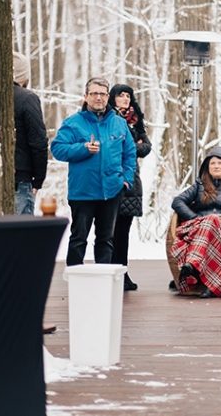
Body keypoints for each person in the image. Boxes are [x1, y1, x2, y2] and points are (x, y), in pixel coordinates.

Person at [50, 77, 137, 266]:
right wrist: (82, 149)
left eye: (102, 94)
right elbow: (57, 149)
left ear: (108, 97)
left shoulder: (119, 123)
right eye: (94, 93)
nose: (99, 98)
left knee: (106, 240)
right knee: (78, 239)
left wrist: (126, 180)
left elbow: (130, 155)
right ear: (86, 96)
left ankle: (103, 284)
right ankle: (75, 281)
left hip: (112, 191)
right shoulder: (73, 123)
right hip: (83, 192)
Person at [171, 146, 221, 297]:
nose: (216, 166)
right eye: (212, 163)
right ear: (208, 167)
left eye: (220, 163)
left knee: (213, 221)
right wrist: (194, 218)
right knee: (209, 222)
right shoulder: (200, 185)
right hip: (199, 226)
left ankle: (192, 264)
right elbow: (178, 201)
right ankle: (216, 285)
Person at [108, 83, 151, 291]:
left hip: (131, 183)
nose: (125, 99)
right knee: (107, 231)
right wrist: (132, 145)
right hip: (110, 181)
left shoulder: (135, 121)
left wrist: (130, 146)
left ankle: (123, 273)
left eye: (128, 95)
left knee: (123, 232)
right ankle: (107, 272)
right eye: (121, 95)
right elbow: (112, 146)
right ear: (113, 98)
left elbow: (147, 147)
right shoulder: (107, 118)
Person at [13, 53, 47, 216]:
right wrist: (38, 180)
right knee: (21, 235)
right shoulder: (27, 98)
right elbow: (38, 142)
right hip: (20, 177)